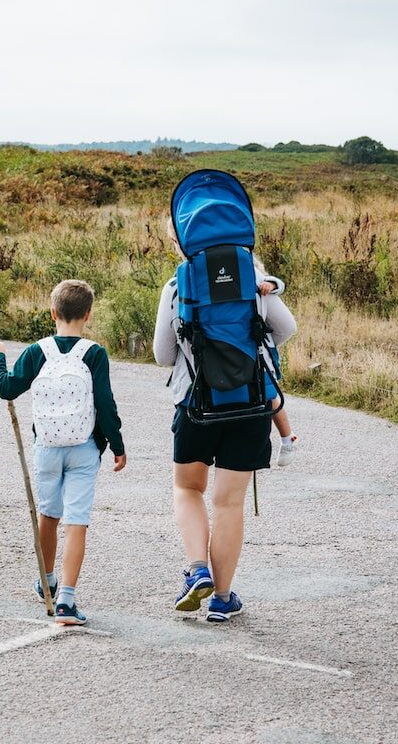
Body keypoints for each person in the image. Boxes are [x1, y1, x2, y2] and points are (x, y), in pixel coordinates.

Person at [154, 224, 296, 622]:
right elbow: (287, 329)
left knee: (187, 489)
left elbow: (164, 355)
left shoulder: (177, 286)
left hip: (196, 404)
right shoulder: (256, 283)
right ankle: (221, 598)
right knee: (229, 503)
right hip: (249, 405)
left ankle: (197, 567)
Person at [0, 279, 126, 625]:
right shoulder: (94, 353)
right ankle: (66, 601)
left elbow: (7, 387)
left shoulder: (38, 351)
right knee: (77, 521)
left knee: (48, 515)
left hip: (47, 447)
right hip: (83, 449)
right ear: (88, 314)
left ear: (53, 313)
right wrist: (118, 446)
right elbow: (105, 404)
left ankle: (47, 581)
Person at [254, 255, 299, 467]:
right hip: (258, 351)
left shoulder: (259, 280)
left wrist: (272, 284)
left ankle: (287, 437)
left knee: (272, 395)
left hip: (260, 353)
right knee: (270, 395)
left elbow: (278, 284)